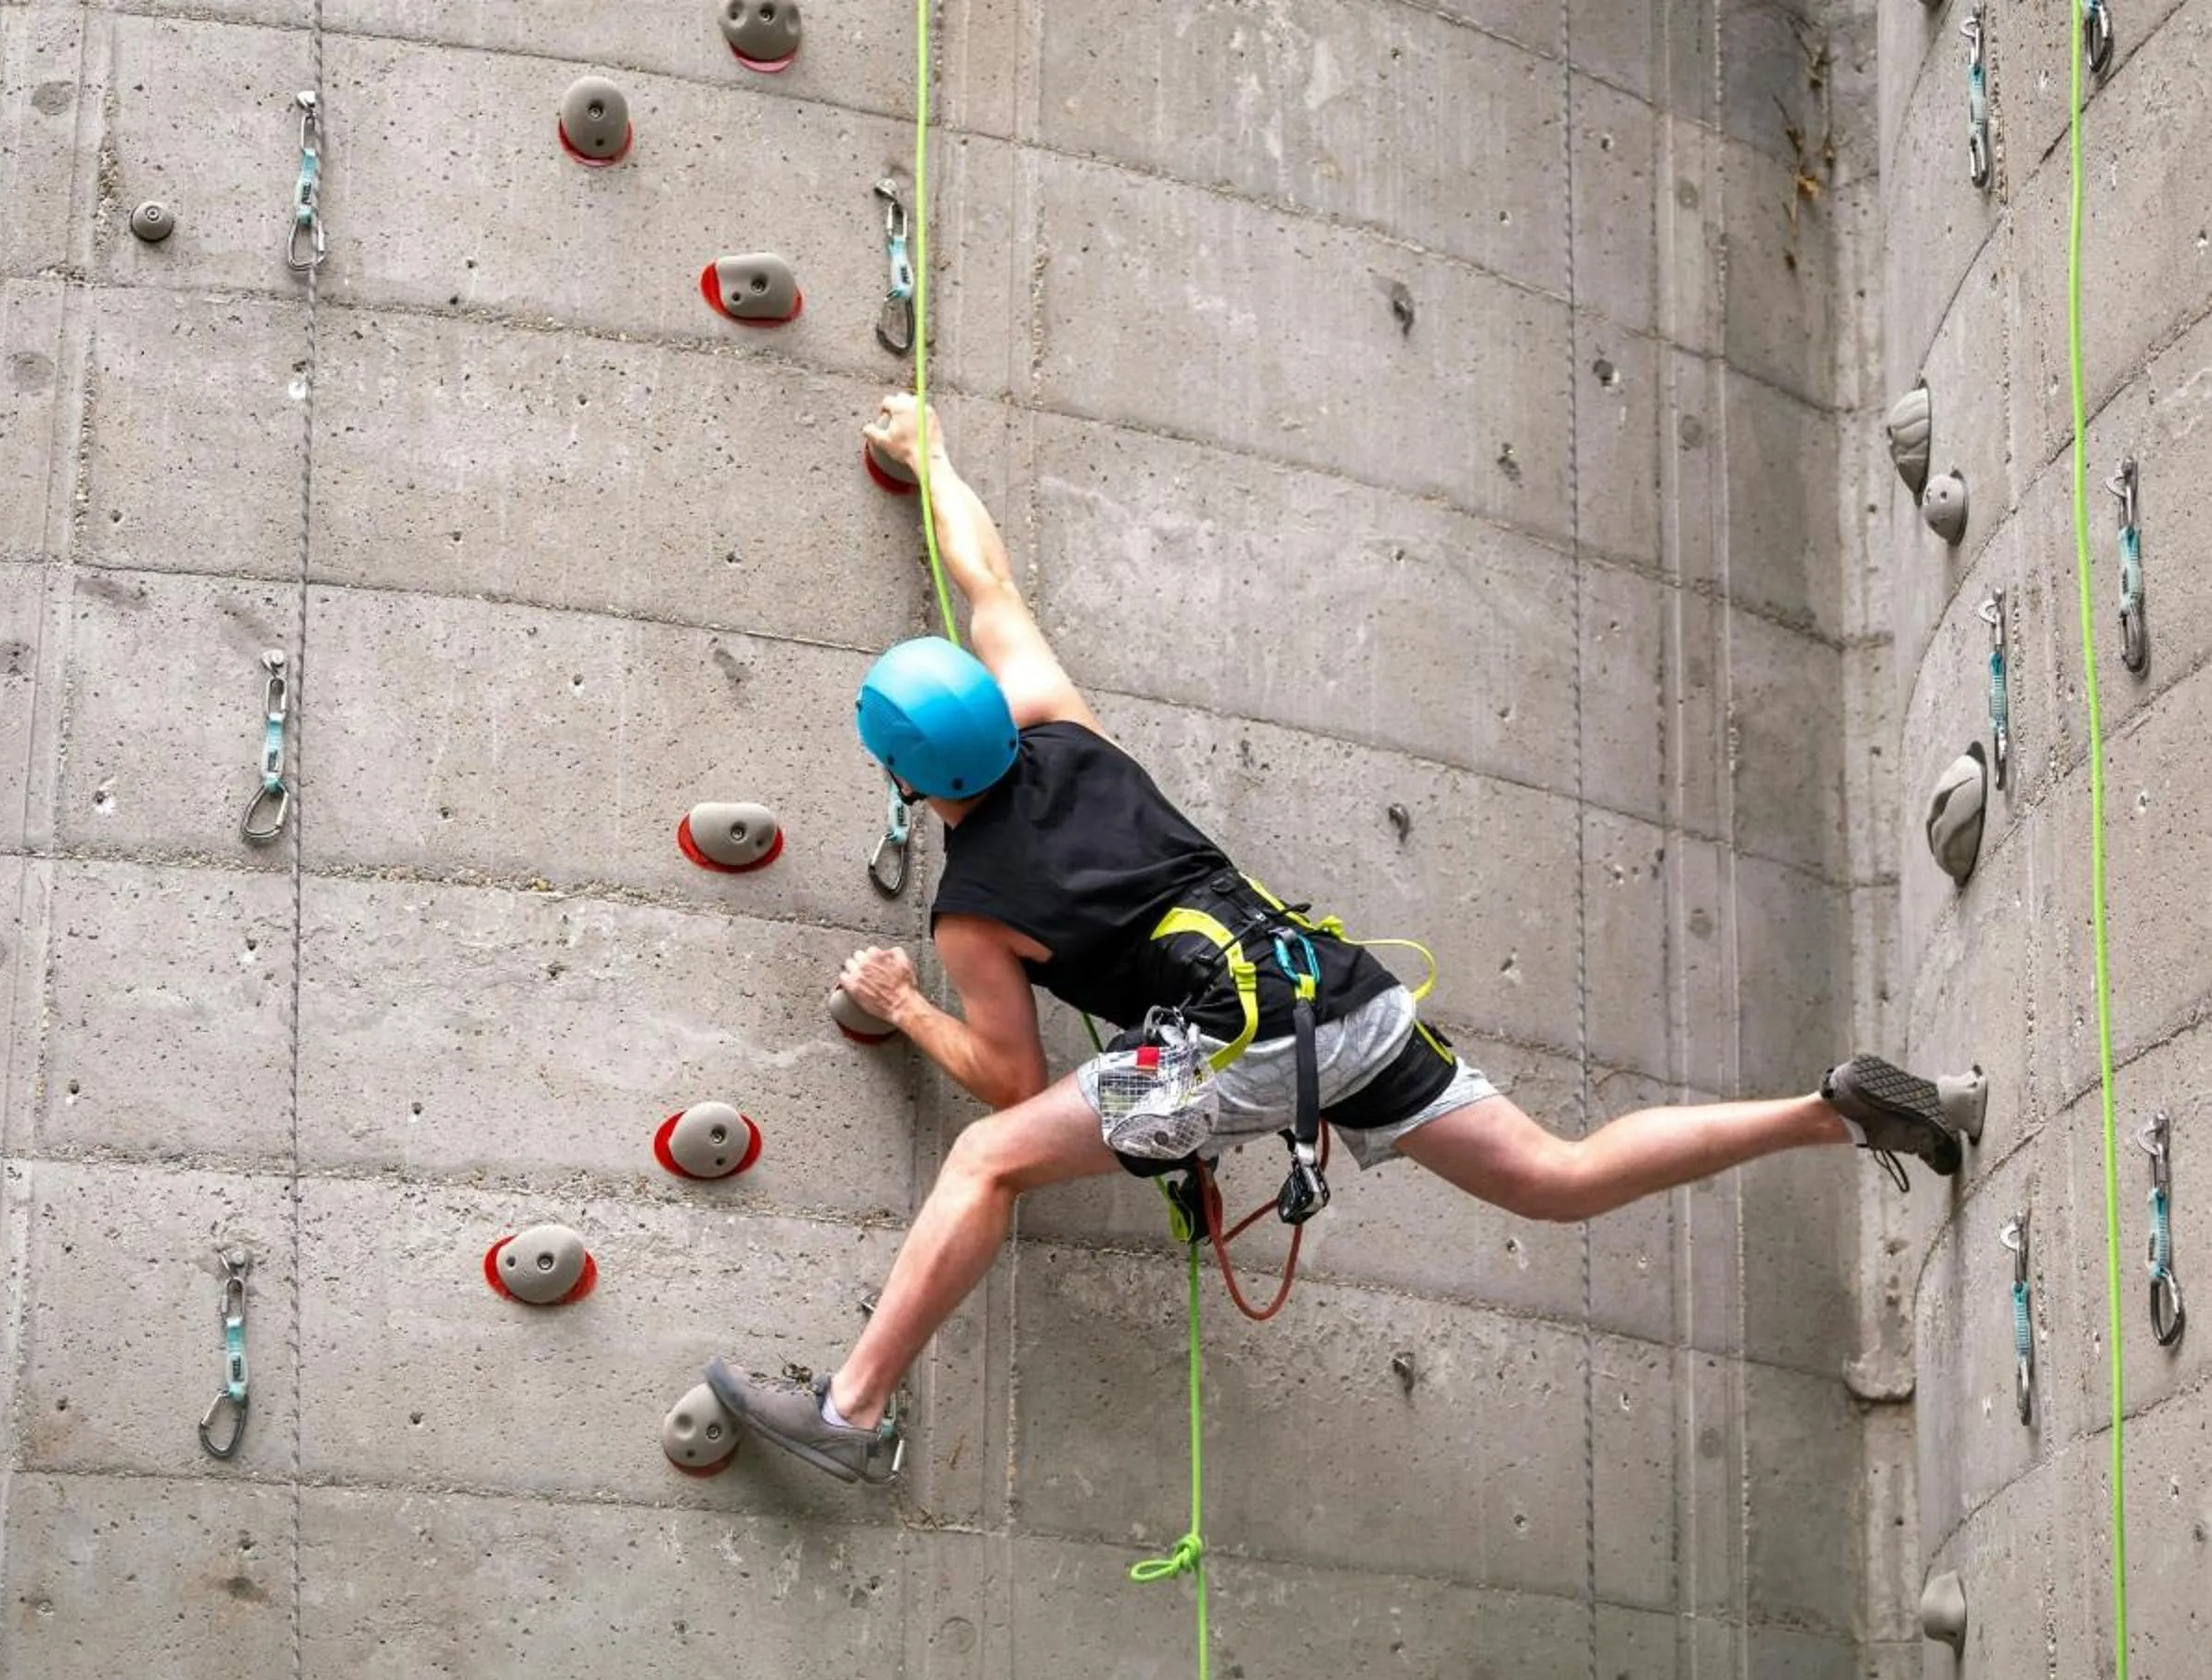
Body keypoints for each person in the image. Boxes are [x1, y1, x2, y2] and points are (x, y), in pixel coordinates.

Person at [704, 394, 1986, 1485]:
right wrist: (934, 456)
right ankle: (1832, 1113)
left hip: (1238, 1047)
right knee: (1557, 1174)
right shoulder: (1062, 726)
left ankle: (851, 1416)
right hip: (1335, 991)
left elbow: (1012, 1081)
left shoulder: (975, 906)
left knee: (985, 1162)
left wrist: (903, 1001)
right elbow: (986, 580)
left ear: (900, 773)